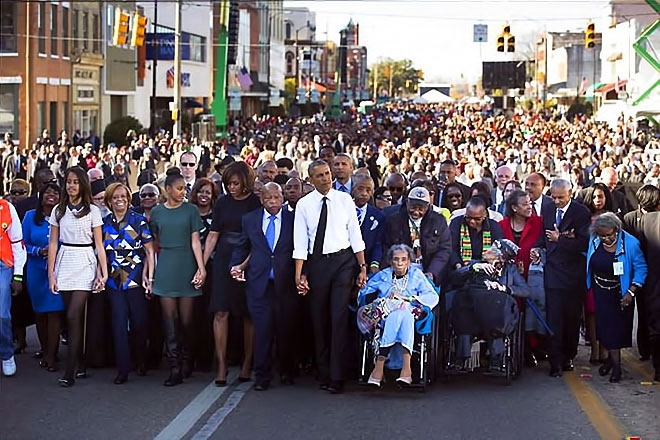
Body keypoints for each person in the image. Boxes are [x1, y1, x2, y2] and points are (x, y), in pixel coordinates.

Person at [293, 160, 368, 394]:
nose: (326, 178)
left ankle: (337, 376)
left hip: (344, 262)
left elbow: (355, 234)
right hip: (317, 264)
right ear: (311, 179)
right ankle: (323, 371)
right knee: (319, 318)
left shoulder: (345, 200)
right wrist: (299, 274)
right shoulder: (304, 205)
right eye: (320, 175)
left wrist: (362, 266)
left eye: (327, 174)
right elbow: (300, 241)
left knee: (338, 317)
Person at [230, 183, 298, 391]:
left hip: (285, 284)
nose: (273, 202)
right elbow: (243, 246)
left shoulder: (293, 220)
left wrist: (302, 275)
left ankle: (287, 371)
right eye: (269, 198)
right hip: (259, 284)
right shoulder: (250, 219)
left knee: (285, 329)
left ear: (283, 198)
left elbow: (301, 249)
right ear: (262, 199)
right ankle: (262, 376)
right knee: (262, 330)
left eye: (277, 197)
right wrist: (234, 266)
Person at [47, 167, 108, 387]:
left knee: (74, 315)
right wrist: (51, 274)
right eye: (68, 182)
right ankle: (80, 360)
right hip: (65, 261)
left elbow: (99, 245)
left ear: (83, 184)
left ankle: (70, 370)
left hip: (85, 261)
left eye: (75, 182)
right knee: (73, 317)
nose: (71, 186)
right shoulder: (57, 210)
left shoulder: (92, 211)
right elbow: (53, 243)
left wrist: (103, 271)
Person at [203, 162, 261, 386]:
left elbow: (258, 238)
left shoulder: (256, 203)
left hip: (249, 258)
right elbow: (213, 235)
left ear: (246, 182)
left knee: (248, 314)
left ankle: (247, 363)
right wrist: (201, 266)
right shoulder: (222, 203)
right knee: (220, 312)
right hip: (223, 260)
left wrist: (244, 265)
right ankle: (221, 365)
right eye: (228, 183)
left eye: (236, 183)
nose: (232, 187)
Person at [149, 168, 206, 386]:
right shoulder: (157, 212)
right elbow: (154, 244)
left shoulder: (191, 211)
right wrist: (151, 272)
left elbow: (195, 242)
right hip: (166, 266)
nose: (183, 192)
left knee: (187, 321)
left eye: (184, 188)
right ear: (168, 189)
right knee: (169, 321)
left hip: (186, 264)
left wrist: (201, 268)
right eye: (179, 188)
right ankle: (174, 367)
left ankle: (187, 360)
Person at [360, 244, 438, 387]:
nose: (400, 263)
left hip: (411, 312)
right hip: (385, 315)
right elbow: (365, 292)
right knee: (399, 315)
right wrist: (381, 300)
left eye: (403, 259)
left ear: (409, 261)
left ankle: (379, 366)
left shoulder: (416, 275)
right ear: (390, 261)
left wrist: (408, 299)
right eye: (396, 259)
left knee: (404, 314)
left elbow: (432, 295)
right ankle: (406, 370)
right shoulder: (383, 275)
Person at [536, 178, 591, 378]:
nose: (557, 201)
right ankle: (555, 361)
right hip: (553, 273)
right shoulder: (548, 209)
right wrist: (537, 247)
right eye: (554, 196)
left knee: (571, 318)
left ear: (570, 194)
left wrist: (561, 239)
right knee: (554, 318)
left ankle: (569, 354)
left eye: (561, 197)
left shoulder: (580, 213)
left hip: (573, 274)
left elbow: (584, 243)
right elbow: (545, 235)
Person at [102, 183, 155, 385]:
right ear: (109, 200)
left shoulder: (139, 221)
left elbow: (150, 252)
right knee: (118, 324)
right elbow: (102, 254)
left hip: (136, 278)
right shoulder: (104, 223)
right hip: (114, 281)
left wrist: (149, 278)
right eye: (115, 197)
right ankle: (122, 369)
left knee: (140, 322)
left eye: (123, 196)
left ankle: (141, 360)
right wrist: (102, 275)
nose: (119, 200)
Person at [586, 213, 647, 383]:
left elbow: (641, 268)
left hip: (621, 293)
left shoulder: (631, 244)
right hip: (600, 291)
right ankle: (610, 363)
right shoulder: (594, 238)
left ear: (617, 230)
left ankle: (617, 368)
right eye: (601, 235)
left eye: (609, 235)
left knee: (616, 330)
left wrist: (632, 291)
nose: (605, 238)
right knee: (604, 328)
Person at [499, 189, 545, 366]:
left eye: (530, 203)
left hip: (532, 275)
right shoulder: (502, 225)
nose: (529, 207)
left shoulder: (538, 223)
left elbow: (543, 244)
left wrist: (539, 252)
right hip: (509, 277)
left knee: (532, 311)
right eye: (525, 204)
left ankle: (532, 348)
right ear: (514, 208)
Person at [23, 183, 63, 372]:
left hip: (58, 270)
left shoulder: (64, 216)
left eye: (55, 192)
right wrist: (38, 251)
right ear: (41, 195)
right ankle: (45, 348)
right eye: (48, 192)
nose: (51, 195)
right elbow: (22, 243)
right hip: (36, 270)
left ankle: (51, 355)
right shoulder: (30, 216)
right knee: (40, 313)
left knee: (54, 311)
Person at [381, 187, 452, 286]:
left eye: (420, 208)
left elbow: (444, 249)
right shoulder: (393, 221)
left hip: (428, 273)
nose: (416, 212)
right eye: (413, 207)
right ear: (407, 203)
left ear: (427, 206)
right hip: (398, 273)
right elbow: (386, 246)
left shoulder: (438, 221)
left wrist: (432, 272)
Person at [622, 184, 660, 361]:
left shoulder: (654, 219)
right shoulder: (630, 218)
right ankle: (645, 348)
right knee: (643, 312)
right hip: (638, 273)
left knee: (652, 313)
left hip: (652, 274)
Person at [189, 177, 219, 372]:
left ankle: (206, 358)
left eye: (208, 192)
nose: (204, 195)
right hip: (189, 266)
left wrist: (204, 267)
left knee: (208, 312)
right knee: (191, 314)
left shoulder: (217, 215)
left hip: (213, 269)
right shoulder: (188, 213)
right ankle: (189, 355)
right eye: (201, 191)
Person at [0, 191, 26, 377]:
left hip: (3, 266)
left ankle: (7, 354)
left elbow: (17, 242)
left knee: (2, 314)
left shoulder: (7, 208)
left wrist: (17, 276)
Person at [352, 175, 385, 274]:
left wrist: (374, 264)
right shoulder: (343, 211)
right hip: (344, 265)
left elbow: (378, 243)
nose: (364, 193)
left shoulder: (378, 216)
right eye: (360, 189)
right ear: (353, 189)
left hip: (366, 264)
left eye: (368, 190)